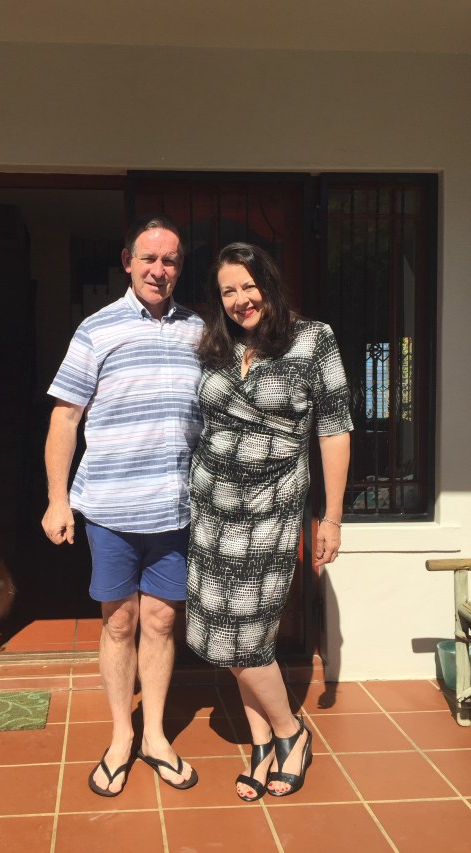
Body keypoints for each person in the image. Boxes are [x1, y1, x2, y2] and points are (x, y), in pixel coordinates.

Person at [42, 215, 203, 796]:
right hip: (110, 509)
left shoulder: (199, 330)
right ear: (128, 261)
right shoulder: (96, 329)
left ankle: (155, 735)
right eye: (149, 258)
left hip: (175, 509)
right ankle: (120, 736)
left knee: (161, 622)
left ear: (180, 267)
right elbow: (65, 417)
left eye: (170, 260)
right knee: (119, 623)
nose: (159, 270)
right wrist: (58, 499)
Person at [186, 242, 352, 801]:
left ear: (269, 284)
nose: (240, 300)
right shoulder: (216, 347)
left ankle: (290, 732)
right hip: (212, 511)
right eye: (228, 291)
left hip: (271, 511)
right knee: (224, 632)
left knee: (248, 633)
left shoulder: (314, 340)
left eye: (248, 286)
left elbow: (334, 429)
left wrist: (331, 517)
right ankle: (261, 745)